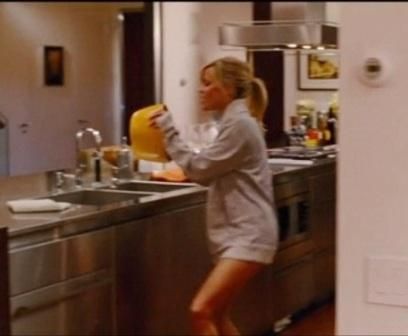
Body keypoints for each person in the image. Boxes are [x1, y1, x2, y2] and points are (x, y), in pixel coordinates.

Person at [149, 56, 278, 335]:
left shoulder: (240, 126)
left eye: (208, 84)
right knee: (218, 316)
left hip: (249, 233)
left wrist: (169, 131)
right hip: (240, 232)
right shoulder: (234, 123)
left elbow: (200, 169)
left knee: (201, 310)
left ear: (229, 89)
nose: (200, 90)